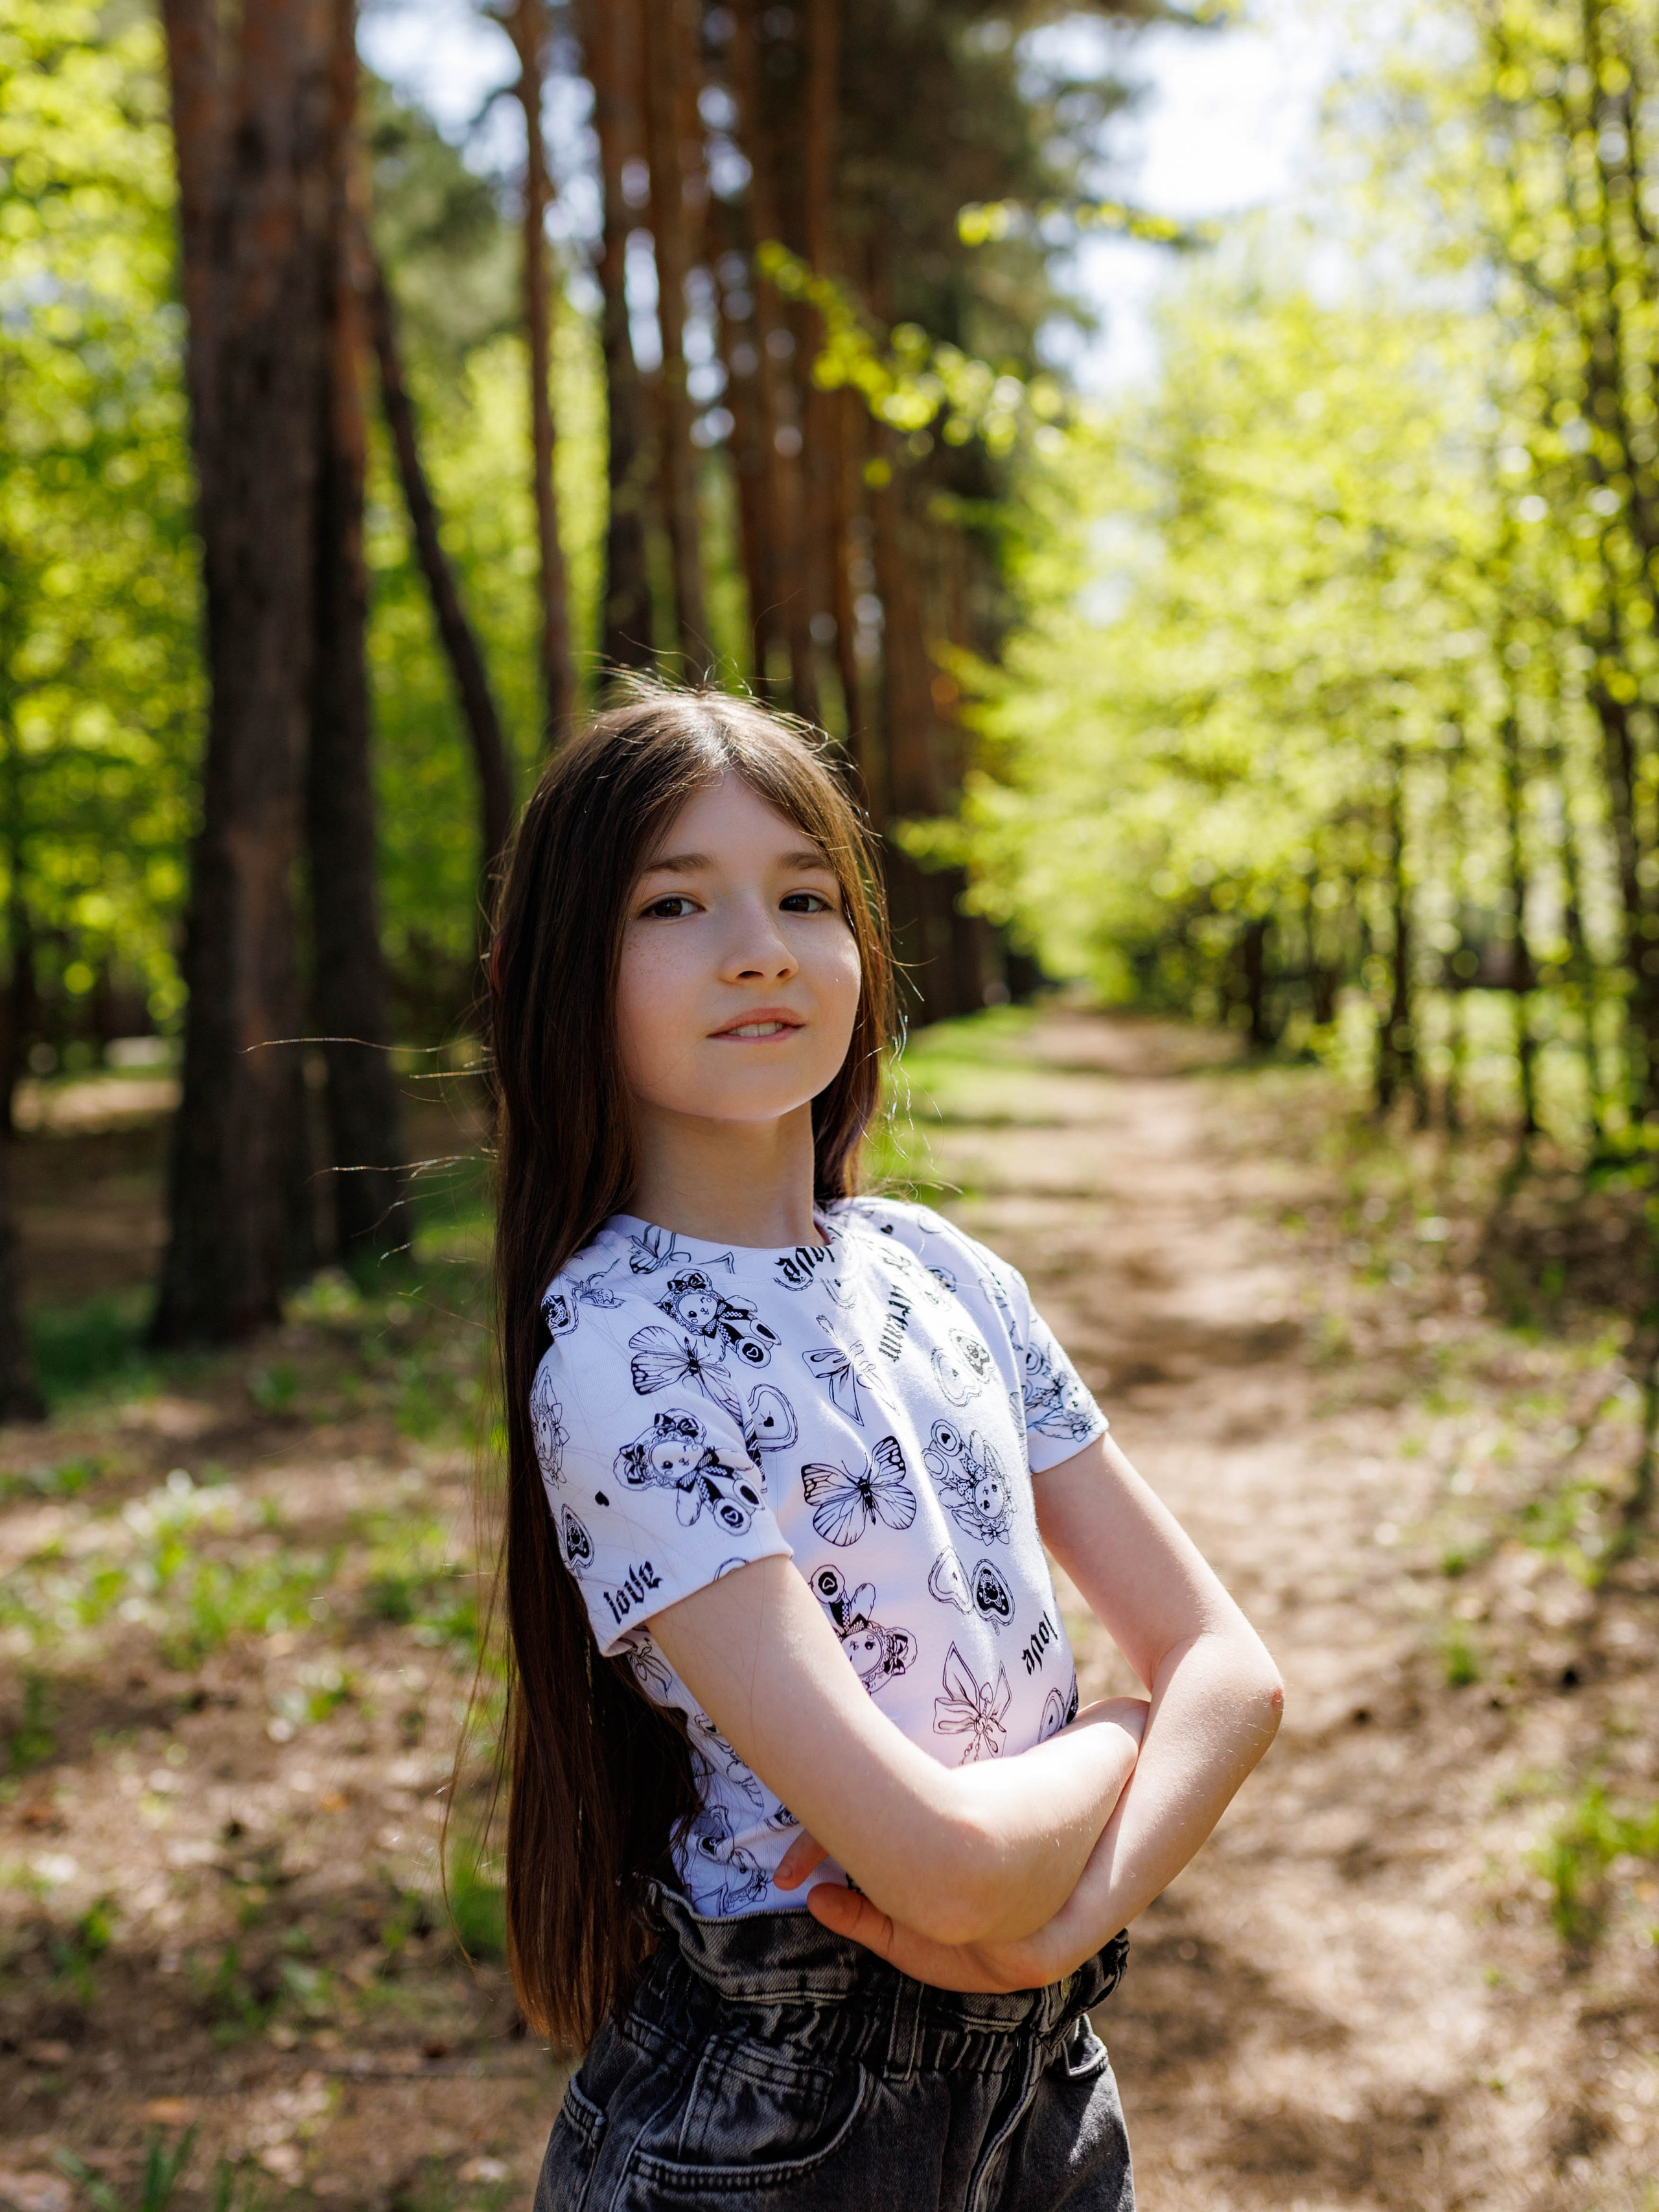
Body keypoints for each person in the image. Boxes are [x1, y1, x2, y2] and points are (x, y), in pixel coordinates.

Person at [486, 682, 1282, 2211]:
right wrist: (1121, 1736)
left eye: (802, 893)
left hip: (1047, 2088)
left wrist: (1063, 1924)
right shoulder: (613, 1356)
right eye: (673, 902)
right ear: (556, 973)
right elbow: (941, 1870)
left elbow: (1234, 1672)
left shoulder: (939, 1270)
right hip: (778, 2129)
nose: (757, 947)